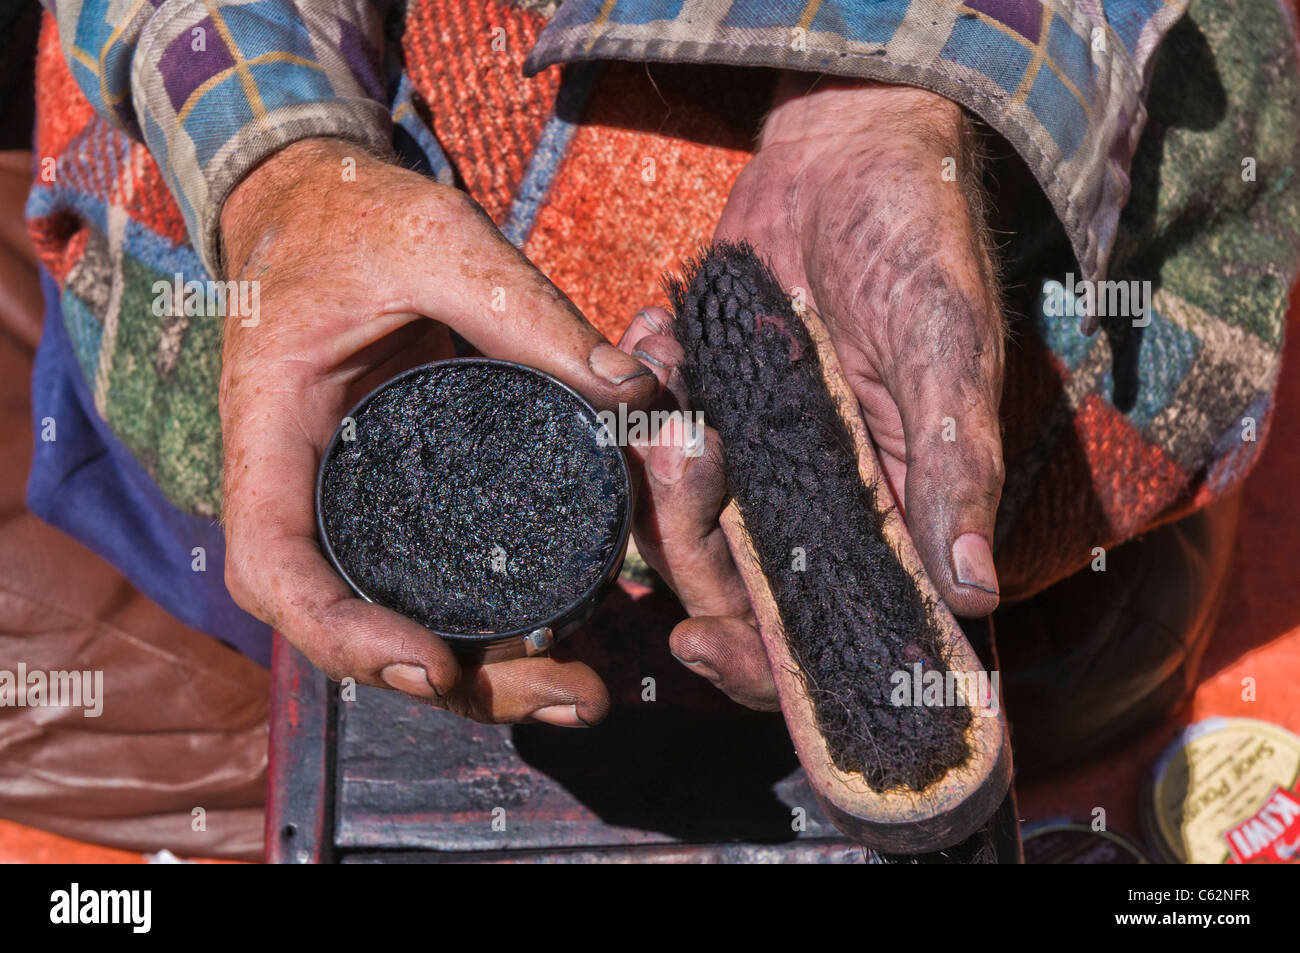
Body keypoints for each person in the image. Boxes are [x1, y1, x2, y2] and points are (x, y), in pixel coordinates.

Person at [6, 0, 1297, 857]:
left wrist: (890, 98)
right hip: (328, 355)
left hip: (991, 375)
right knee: (271, 604)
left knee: (1084, 634)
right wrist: (277, 163)